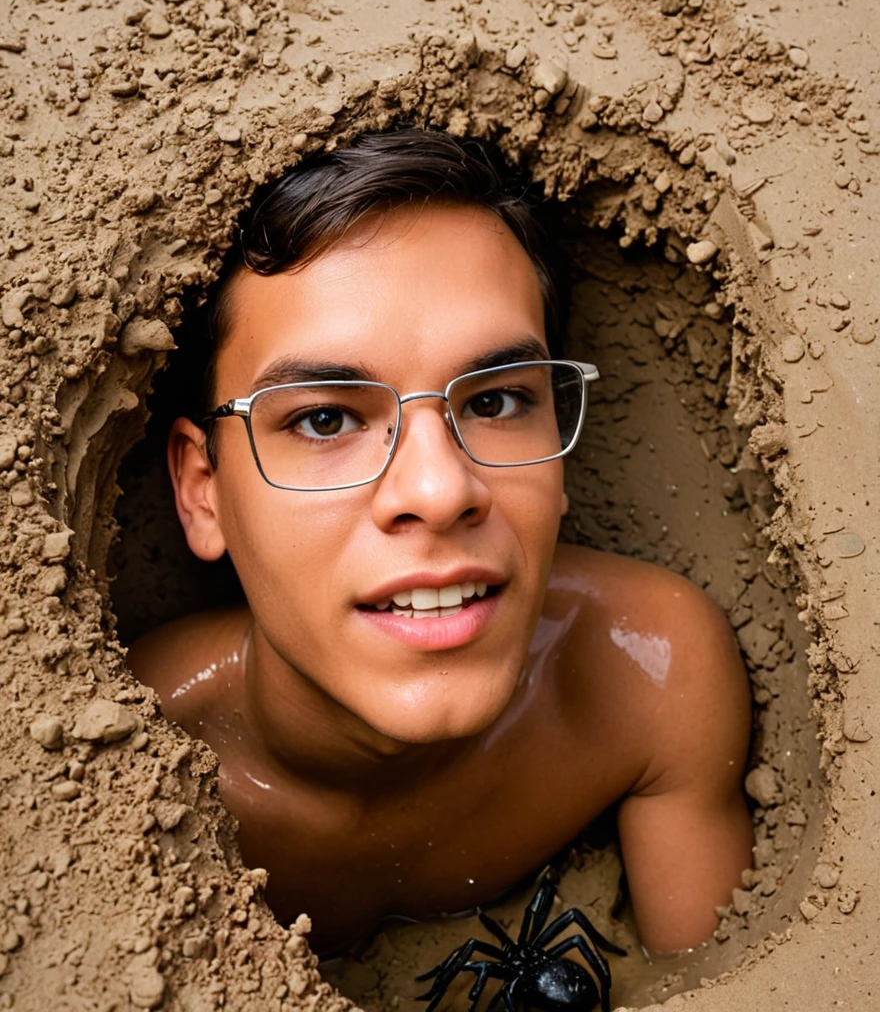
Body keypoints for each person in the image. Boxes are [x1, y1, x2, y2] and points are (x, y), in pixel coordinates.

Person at [128, 128, 753, 959]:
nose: (441, 489)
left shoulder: (652, 677)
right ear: (203, 492)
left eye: (495, 403)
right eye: (325, 419)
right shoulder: (129, 761)